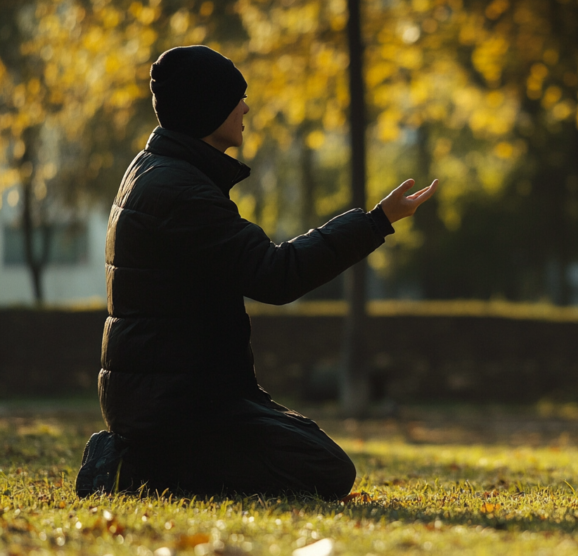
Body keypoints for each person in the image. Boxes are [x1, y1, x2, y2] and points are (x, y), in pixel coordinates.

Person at [75, 45, 437, 498]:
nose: (245, 106)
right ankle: (138, 469)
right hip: (175, 405)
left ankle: (147, 458)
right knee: (326, 469)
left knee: (309, 446)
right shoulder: (181, 192)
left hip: (168, 396)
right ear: (206, 108)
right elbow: (276, 274)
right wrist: (375, 223)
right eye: (235, 97)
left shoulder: (159, 172)